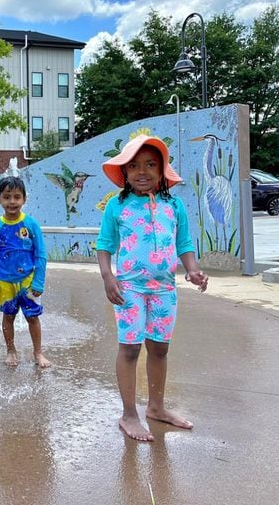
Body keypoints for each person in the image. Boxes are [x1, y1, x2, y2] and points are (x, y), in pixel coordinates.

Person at [96, 135, 208, 442]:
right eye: (134, 166)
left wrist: (193, 270)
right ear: (125, 171)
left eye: (150, 164)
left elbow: (184, 243)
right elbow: (104, 245)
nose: (142, 171)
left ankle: (156, 407)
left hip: (164, 289)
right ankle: (129, 414)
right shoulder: (117, 206)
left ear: (162, 170)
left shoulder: (174, 205)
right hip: (129, 288)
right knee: (130, 348)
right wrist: (108, 277)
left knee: (160, 347)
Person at [0, 176, 51, 368]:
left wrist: (38, 282)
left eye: (16, 197)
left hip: (28, 280)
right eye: (7, 197)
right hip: (5, 281)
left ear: (24, 199)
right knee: (8, 316)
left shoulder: (30, 224)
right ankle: (11, 350)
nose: (12, 202)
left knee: (32, 317)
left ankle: (38, 353)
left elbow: (41, 255)